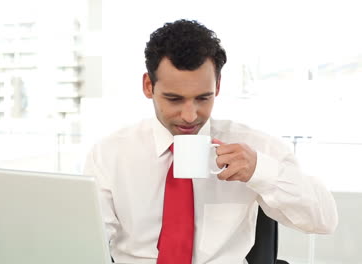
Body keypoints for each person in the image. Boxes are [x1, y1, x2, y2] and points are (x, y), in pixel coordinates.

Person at [84, 19, 338, 264]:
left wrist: (261, 170)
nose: (190, 115)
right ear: (148, 86)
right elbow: (86, 241)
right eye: (174, 99)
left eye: (203, 98)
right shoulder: (109, 154)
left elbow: (324, 220)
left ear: (217, 86)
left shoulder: (253, 145)